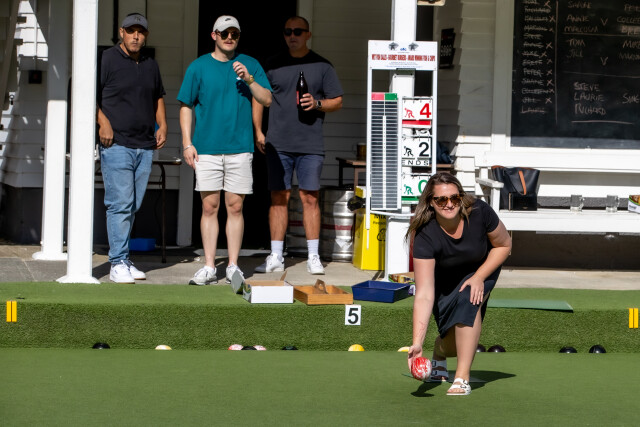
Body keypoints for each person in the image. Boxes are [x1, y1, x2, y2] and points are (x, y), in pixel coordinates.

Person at [178, 15, 272, 285]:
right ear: (214, 35)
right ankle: (209, 266)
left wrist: (249, 79)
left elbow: (267, 99)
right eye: (224, 33)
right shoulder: (198, 66)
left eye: (234, 34)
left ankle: (232, 266)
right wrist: (187, 142)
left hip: (239, 148)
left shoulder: (250, 64)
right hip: (206, 148)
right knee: (209, 206)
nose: (229, 38)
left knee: (235, 206)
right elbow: (186, 105)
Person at [406, 173, 511, 395]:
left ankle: (462, 378)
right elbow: (424, 293)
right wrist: (417, 343)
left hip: (481, 270)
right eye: (441, 200)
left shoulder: (480, 212)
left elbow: (504, 245)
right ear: (430, 202)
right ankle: (439, 349)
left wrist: (479, 276)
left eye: (455, 197)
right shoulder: (425, 233)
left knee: (468, 300)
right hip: (445, 282)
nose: (450, 204)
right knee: (451, 343)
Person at [253, 16, 343, 275]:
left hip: (310, 143)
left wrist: (316, 103)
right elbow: (258, 97)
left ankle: (313, 256)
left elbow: (337, 101)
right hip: (278, 142)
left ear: (308, 35)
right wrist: (258, 130)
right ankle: (276, 255)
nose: (292, 35)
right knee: (278, 197)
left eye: (298, 31)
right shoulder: (273, 64)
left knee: (309, 197)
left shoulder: (322, 65)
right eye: (288, 31)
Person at [97, 13, 167, 284]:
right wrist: (103, 122)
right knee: (120, 204)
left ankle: (124, 258)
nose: (136, 36)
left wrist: (163, 125)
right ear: (121, 32)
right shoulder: (106, 59)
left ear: (145, 35)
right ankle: (116, 263)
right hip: (116, 144)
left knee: (133, 205)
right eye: (131, 31)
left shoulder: (150, 64)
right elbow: (84, 92)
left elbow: (157, 96)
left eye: (140, 31)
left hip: (144, 145)